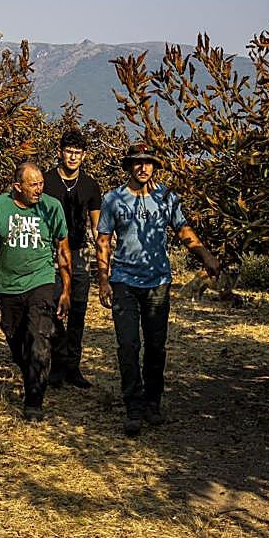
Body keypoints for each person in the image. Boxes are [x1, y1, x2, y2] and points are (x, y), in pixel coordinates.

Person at [96, 142, 220, 437]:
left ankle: (153, 403)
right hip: (124, 280)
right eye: (137, 162)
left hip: (158, 282)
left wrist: (206, 255)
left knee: (155, 346)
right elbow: (103, 240)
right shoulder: (113, 199)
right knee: (128, 346)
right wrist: (103, 279)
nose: (143, 167)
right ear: (129, 166)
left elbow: (183, 230)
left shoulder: (167, 198)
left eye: (148, 162)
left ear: (154, 166)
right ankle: (133, 407)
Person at [0, 162, 72, 421]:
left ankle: (34, 401)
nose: (39, 189)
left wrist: (66, 289)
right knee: (15, 338)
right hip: (8, 285)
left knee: (38, 339)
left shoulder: (52, 208)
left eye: (41, 183)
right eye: (33, 184)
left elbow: (63, 250)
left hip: (41, 281)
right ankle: (31, 370)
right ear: (17, 186)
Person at [43, 129, 102, 389]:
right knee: (54, 308)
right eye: (69, 151)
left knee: (78, 311)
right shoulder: (45, 181)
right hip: (50, 254)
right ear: (60, 152)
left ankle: (73, 368)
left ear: (84, 155)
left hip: (79, 255)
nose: (72, 157)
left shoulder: (90, 185)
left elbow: (97, 226)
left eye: (77, 152)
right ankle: (57, 364)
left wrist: (103, 261)